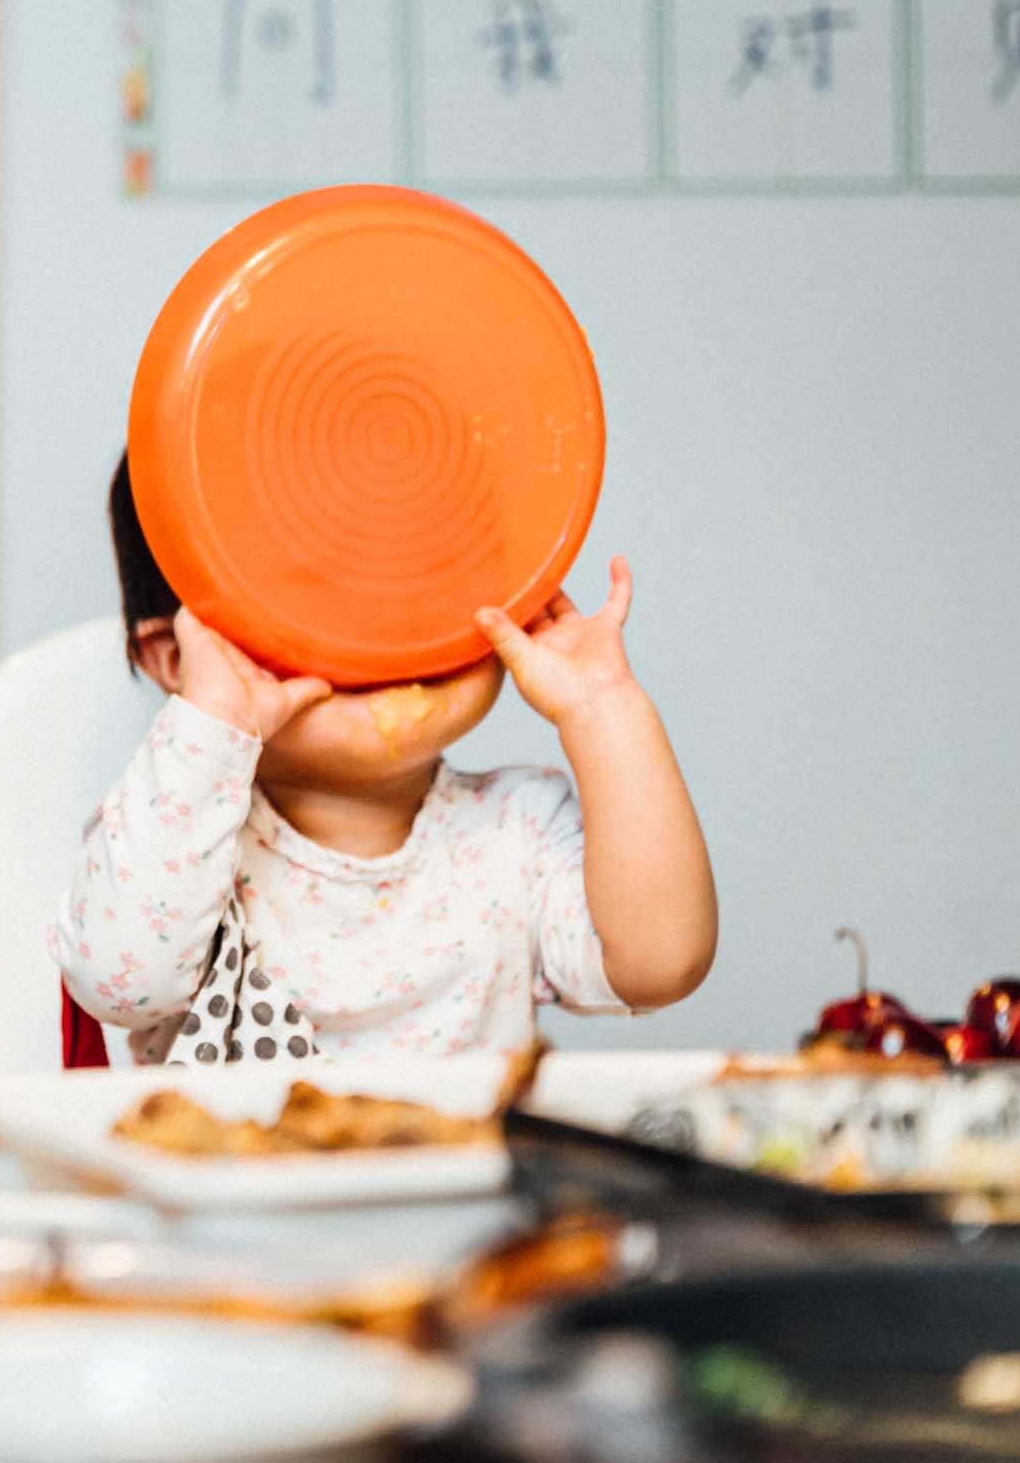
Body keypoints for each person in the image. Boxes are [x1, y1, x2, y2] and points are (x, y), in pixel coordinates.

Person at [51, 453, 714, 1064]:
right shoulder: (173, 837)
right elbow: (122, 987)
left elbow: (661, 963)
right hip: (230, 1187)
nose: (385, 630)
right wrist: (210, 724)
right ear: (179, 660)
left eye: (429, 576)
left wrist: (601, 706)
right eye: (313, 592)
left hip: (453, 1187)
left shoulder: (516, 828)